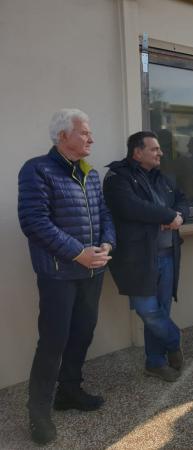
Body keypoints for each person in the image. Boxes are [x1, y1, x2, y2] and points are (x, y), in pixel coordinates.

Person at [18, 109, 115, 445]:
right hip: (59, 275)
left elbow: (105, 214)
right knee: (53, 342)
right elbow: (34, 222)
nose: (91, 139)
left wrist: (107, 243)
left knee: (82, 334)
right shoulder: (37, 170)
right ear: (63, 136)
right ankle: (38, 413)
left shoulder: (89, 172)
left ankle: (69, 392)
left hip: (92, 272)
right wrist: (77, 252)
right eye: (84, 133)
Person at [103, 131, 189, 382]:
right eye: (154, 149)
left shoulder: (163, 178)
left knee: (162, 309)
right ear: (137, 152)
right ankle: (173, 339)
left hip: (168, 254)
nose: (160, 153)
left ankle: (155, 362)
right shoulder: (117, 177)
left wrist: (179, 217)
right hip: (138, 258)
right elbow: (131, 207)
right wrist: (167, 216)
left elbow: (183, 200)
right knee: (148, 310)